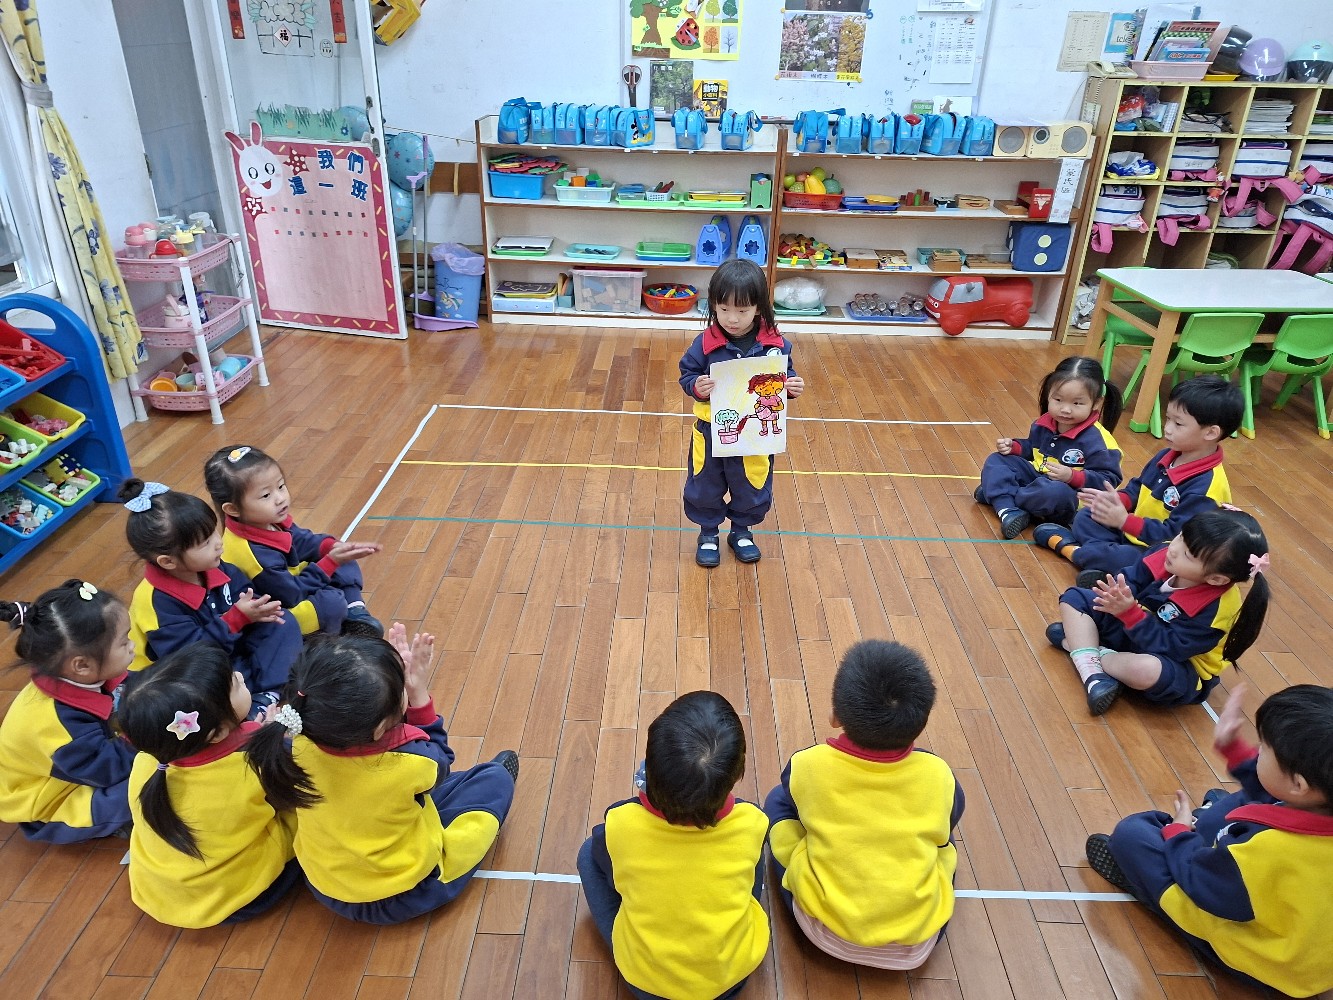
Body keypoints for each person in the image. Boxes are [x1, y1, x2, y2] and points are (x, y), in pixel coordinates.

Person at [245, 628, 518, 925]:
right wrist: (418, 695)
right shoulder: (412, 761)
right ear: (378, 729)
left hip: (325, 886)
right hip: (404, 893)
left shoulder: (292, 744)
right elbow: (441, 762)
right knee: (493, 779)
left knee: (416, 796)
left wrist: (387, 681)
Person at [1086, 682, 1333, 998]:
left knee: (1132, 834)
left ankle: (1144, 882)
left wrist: (1178, 833)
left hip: (1262, 961)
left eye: (1264, 748)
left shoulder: (1268, 850)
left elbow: (1199, 881)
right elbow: (1275, 789)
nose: (1257, 751)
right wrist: (1233, 748)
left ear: (1299, 784)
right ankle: (1209, 821)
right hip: (1306, 953)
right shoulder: (1316, 798)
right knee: (1239, 802)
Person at [764, 640, 964, 970]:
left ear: (834, 716)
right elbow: (947, 826)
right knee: (943, 837)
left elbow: (796, 807)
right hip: (916, 942)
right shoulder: (938, 774)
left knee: (778, 801)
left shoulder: (808, 765)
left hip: (824, 931)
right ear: (919, 724)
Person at [577, 691, 769, 1000]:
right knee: (753, 850)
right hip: (730, 980)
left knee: (589, 854)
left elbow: (603, 858)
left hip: (647, 985)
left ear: (650, 768)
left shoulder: (621, 822)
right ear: (736, 776)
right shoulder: (752, 820)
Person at [117, 642, 300, 927]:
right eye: (234, 685)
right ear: (217, 733)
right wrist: (278, 739)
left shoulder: (146, 761)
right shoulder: (252, 764)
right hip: (240, 897)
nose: (240, 676)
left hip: (160, 894)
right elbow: (293, 793)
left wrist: (256, 735)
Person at [1048, 508, 1270, 715]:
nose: (1174, 549)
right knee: (1075, 597)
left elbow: (1171, 648)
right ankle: (1093, 668)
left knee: (1146, 670)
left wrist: (1129, 613)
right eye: (1181, 536)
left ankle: (1084, 651)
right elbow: (1133, 578)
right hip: (1135, 627)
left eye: (1187, 554)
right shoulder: (1167, 553)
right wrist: (1118, 595)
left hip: (1178, 664)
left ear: (1216, 579)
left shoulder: (1216, 610)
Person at [120, 478, 303, 718]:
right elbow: (191, 659)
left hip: (224, 646)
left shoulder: (210, 565)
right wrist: (235, 620)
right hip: (175, 673)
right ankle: (253, 700)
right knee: (201, 691)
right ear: (168, 561)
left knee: (282, 622)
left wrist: (256, 609)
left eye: (214, 532)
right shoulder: (156, 602)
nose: (218, 543)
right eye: (205, 542)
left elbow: (242, 591)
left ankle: (267, 693)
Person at [1034, 375, 1239, 589]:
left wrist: (1124, 521)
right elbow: (1138, 488)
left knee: (1135, 559)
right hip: (1133, 531)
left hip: (1160, 550)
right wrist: (1114, 501)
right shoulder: (1167, 455)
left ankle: (1072, 550)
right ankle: (1104, 564)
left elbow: (1174, 536)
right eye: (1168, 419)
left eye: (1178, 424)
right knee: (1087, 516)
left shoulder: (1206, 489)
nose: (1168, 428)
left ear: (1211, 432)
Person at [678, 259, 805, 567]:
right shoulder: (705, 343)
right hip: (712, 430)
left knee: (752, 482)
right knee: (705, 483)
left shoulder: (776, 345)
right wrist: (697, 385)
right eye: (723, 309)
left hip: (755, 433)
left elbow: (783, 377)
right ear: (713, 305)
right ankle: (708, 533)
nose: (732, 319)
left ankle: (741, 531)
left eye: (742, 310)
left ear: (758, 308)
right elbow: (687, 374)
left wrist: (791, 386)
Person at [0, 580, 135, 842]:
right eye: (123, 642)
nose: (132, 646)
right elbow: (107, 770)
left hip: (79, 772)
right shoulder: (57, 725)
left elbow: (132, 686)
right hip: (52, 803)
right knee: (149, 785)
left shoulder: (80, 675)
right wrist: (146, 734)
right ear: (81, 665)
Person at [203, 445, 384, 638]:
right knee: (331, 602)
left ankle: (355, 611)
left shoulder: (268, 519)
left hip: (293, 582)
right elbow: (291, 594)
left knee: (342, 553)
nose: (280, 499)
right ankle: (329, 642)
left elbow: (301, 540)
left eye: (281, 486)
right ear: (233, 509)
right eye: (266, 495)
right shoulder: (251, 554)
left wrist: (331, 547)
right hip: (282, 609)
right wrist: (329, 564)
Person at [975, 355, 1123, 538]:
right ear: (1048, 395)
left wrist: (1072, 476)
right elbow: (1033, 449)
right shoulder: (1044, 423)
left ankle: (1001, 497)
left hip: (1070, 496)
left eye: (1077, 403)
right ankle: (1009, 507)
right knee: (997, 460)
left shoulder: (1101, 441)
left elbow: (1108, 480)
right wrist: (1014, 447)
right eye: (1058, 400)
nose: (1065, 409)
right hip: (1037, 481)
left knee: (1053, 492)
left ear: (1097, 403)